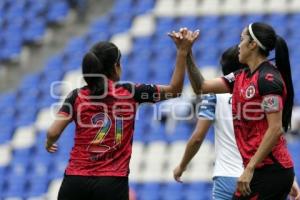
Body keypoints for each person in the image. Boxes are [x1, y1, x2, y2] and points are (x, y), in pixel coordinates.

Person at [45, 31, 199, 200]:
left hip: (75, 181)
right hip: (112, 182)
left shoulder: (76, 96)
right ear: (115, 67)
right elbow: (175, 91)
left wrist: (50, 142)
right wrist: (182, 52)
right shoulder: (131, 92)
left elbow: (53, 132)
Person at [174, 23, 295, 199]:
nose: (238, 45)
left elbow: (275, 129)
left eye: (241, 39)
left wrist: (249, 168)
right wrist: (186, 52)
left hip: (270, 171)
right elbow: (201, 87)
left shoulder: (268, 79)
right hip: (258, 171)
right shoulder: (240, 77)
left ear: (253, 44)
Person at [173, 45, 245, 200]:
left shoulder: (215, 96)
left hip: (227, 177)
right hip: (256, 176)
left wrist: (182, 166)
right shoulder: (259, 94)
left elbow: (197, 137)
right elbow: (274, 136)